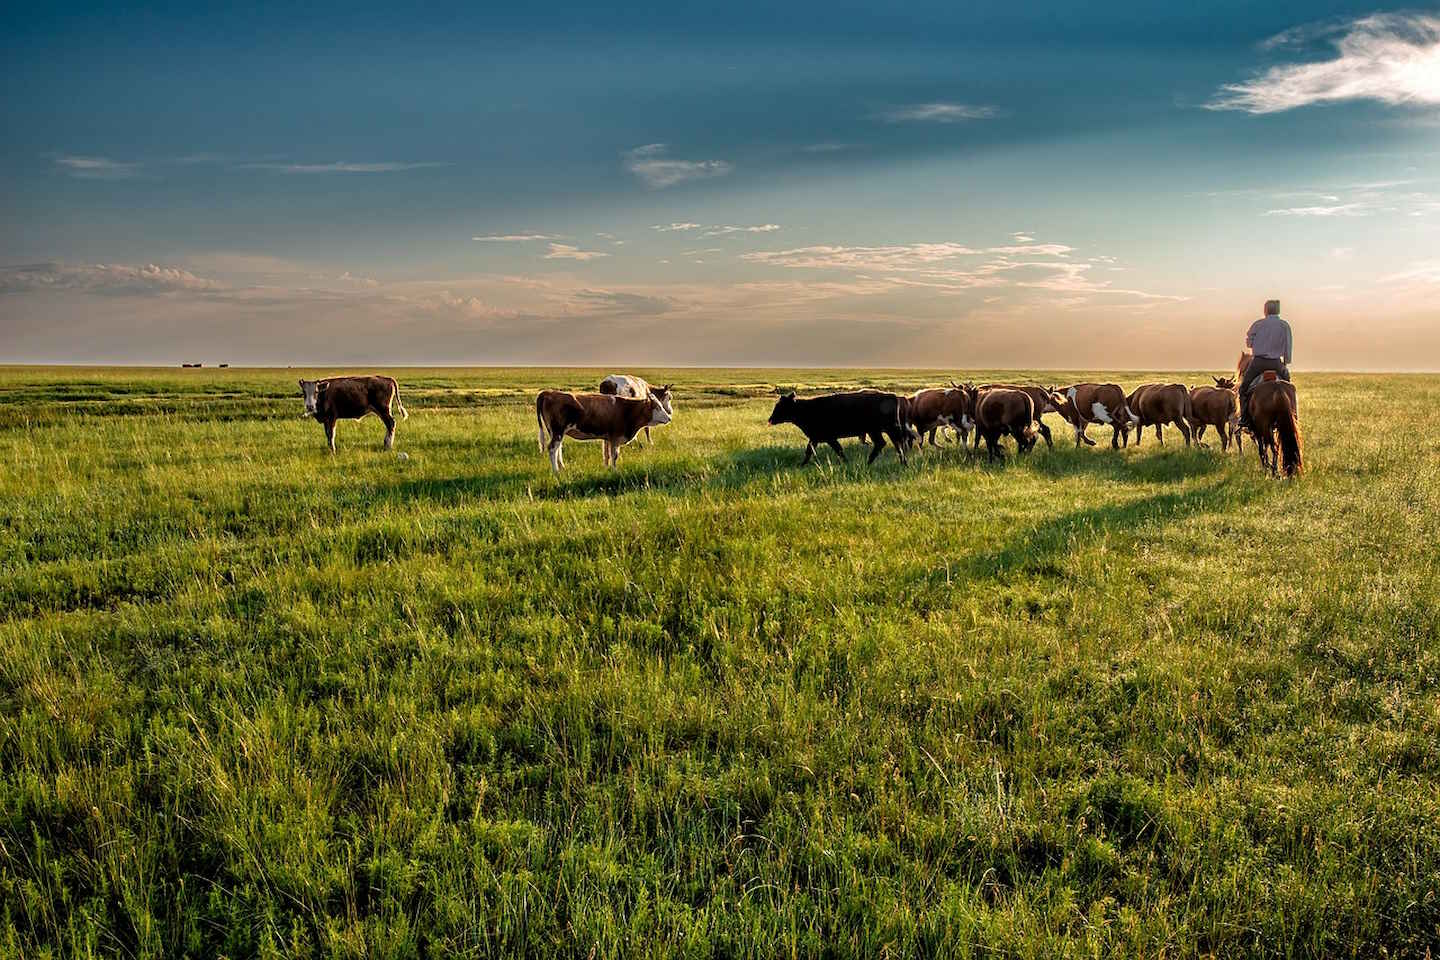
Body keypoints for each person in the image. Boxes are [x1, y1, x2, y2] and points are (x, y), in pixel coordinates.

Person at [1237, 299, 1292, 431]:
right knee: (1288, 388)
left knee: (1243, 388)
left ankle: (1244, 418)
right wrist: (1286, 363)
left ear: (1265, 310)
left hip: (1258, 363)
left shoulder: (1258, 324)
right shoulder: (1285, 325)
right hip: (1276, 363)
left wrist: (1257, 344)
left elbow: (1249, 343)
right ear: (1278, 310)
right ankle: (1292, 414)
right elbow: (1288, 346)